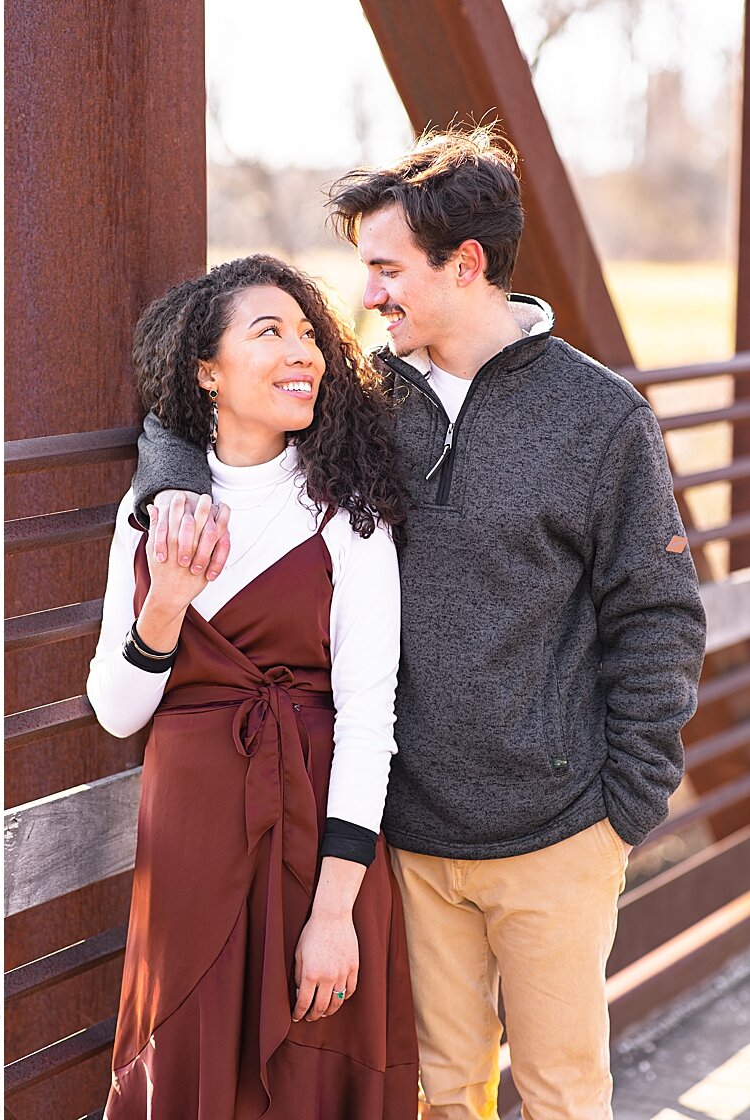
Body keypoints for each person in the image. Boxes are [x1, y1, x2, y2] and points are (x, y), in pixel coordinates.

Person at [132, 127, 706, 1119]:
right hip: (411, 838)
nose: (369, 296)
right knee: (443, 1097)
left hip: (559, 834)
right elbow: (192, 407)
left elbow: (658, 619)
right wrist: (177, 487)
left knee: (566, 1095)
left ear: (466, 264)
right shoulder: (365, 401)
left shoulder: (599, 419)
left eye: (388, 269)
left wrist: (626, 807)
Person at [89, 254, 418, 1117]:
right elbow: (117, 712)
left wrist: (335, 912)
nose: (301, 352)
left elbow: (369, 717)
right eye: (268, 332)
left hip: (319, 852)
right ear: (207, 369)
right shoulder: (151, 513)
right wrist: (165, 602)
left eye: (309, 335)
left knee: (312, 1078)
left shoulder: (347, 513)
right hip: (190, 862)